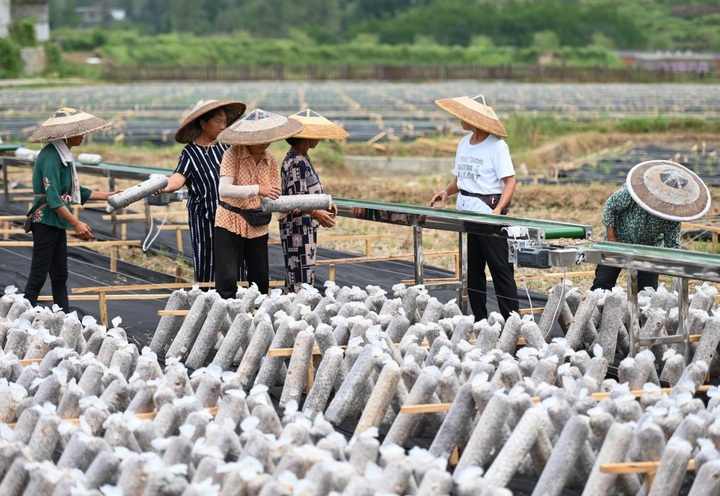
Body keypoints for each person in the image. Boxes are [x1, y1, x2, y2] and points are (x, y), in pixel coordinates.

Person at [429, 94, 519, 322]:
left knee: (500, 268)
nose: (461, 119)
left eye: (465, 117)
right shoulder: (464, 143)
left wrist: (498, 210)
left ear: (477, 121)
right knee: (473, 270)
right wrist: (445, 192)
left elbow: (510, 182)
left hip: (488, 214)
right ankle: (480, 319)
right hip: (467, 214)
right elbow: (460, 180)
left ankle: (512, 321)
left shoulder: (497, 146)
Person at [24, 107, 120, 311]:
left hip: (56, 220)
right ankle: (22, 316)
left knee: (60, 274)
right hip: (45, 221)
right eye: (80, 132)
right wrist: (76, 222)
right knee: (39, 273)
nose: (83, 135)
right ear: (67, 135)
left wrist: (107, 195)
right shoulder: (51, 156)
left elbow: (74, 190)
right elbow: (53, 197)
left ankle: (64, 315)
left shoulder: (64, 156)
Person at [213, 109, 303, 298]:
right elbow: (224, 190)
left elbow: (274, 195)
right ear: (248, 137)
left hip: (257, 224)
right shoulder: (232, 155)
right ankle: (225, 322)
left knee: (260, 279)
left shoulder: (270, 160)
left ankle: (256, 318)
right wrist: (257, 188)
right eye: (259, 139)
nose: (264, 143)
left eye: (267, 139)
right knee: (227, 278)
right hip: (230, 221)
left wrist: (287, 207)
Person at [159, 99, 246, 284]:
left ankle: (236, 303)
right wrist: (165, 186)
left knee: (236, 260)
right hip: (205, 217)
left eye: (225, 122)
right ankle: (207, 304)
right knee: (208, 260)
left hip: (232, 215)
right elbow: (178, 177)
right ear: (203, 123)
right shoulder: (190, 152)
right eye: (218, 122)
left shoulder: (227, 148)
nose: (223, 126)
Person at [591, 159, 711, 291]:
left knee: (647, 290)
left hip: (649, 248)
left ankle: (640, 310)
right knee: (602, 284)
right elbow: (610, 207)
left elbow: (672, 243)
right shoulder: (631, 192)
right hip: (619, 240)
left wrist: (677, 263)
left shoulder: (672, 213)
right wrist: (612, 239)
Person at [279, 109, 347, 292]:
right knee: (300, 279)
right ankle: (295, 315)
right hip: (297, 231)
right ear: (307, 137)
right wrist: (317, 213)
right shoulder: (296, 162)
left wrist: (324, 204)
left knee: (303, 275)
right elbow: (296, 199)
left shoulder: (302, 158)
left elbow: (308, 193)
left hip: (304, 228)